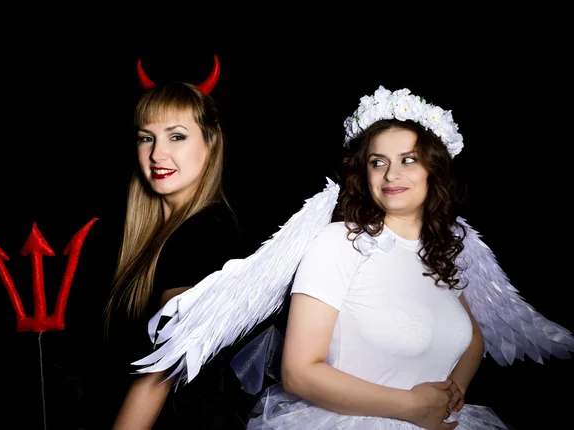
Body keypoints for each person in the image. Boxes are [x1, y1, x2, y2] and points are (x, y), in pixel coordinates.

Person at [243, 85, 554, 429]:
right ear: (365, 174)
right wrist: (410, 406)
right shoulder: (338, 243)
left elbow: (472, 337)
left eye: (408, 160)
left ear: (432, 170)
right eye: (379, 163)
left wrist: (455, 390)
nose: (391, 175)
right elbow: (299, 373)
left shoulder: (442, 250)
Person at [98, 55, 253, 429]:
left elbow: (160, 374)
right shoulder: (151, 235)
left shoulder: (207, 232)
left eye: (177, 136)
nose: (156, 154)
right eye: (146, 138)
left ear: (211, 143)